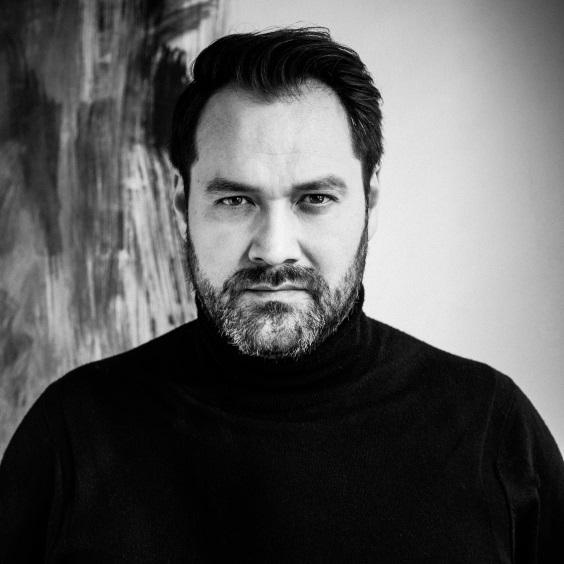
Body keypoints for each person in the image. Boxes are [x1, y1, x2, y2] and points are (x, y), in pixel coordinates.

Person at [1, 27, 563, 563]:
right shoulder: (71, 434)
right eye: (235, 200)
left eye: (314, 199)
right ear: (181, 204)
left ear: (369, 202)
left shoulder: (492, 430)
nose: (273, 251)